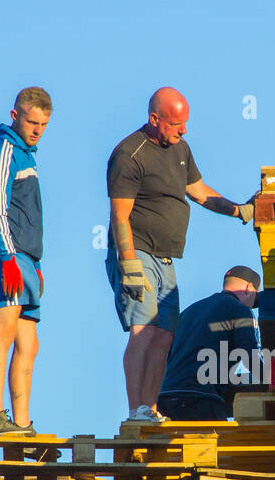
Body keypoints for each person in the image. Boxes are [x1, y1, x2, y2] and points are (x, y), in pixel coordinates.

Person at [105, 86, 255, 424]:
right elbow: (120, 214)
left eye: (185, 123)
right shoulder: (130, 154)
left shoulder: (180, 149)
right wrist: (127, 261)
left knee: (165, 334)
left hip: (167, 257)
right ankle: (136, 410)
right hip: (137, 251)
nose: (183, 129)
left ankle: (151, 407)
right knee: (143, 328)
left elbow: (200, 193)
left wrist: (239, 210)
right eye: (176, 124)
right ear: (155, 119)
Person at [0, 86, 52, 435]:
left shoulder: (29, 155)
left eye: (43, 124)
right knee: (3, 331)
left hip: (27, 259)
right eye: (31, 121)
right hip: (5, 256)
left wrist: (34, 264)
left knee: (29, 344)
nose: (37, 129)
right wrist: (7, 258)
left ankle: (22, 423)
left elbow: (29, 214)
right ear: (15, 116)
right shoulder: (2, 150)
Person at [157, 266, 263, 421]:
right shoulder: (240, 310)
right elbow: (249, 356)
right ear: (249, 288)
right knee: (222, 444)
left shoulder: (187, 313)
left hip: (166, 399)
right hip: (200, 399)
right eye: (254, 301)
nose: (251, 307)